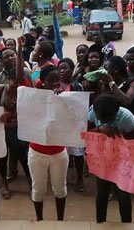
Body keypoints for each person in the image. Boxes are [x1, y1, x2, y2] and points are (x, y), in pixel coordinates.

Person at [0, 47, 32, 199]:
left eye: (13, 55)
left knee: (23, 156)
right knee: (2, 157)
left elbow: (33, 97)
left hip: (21, 125)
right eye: (7, 56)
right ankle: (4, 185)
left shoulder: (25, 75)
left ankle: (32, 184)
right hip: (4, 128)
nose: (10, 58)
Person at [88, 94, 134, 223]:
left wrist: (118, 134)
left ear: (116, 112)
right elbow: (86, 132)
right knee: (102, 192)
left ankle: (126, 223)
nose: (105, 121)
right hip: (102, 158)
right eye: (101, 119)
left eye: (108, 119)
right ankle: (100, 222)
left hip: (123, 160)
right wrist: (100, 128)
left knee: (123, 193)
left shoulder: (128, 118)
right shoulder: (93, 112)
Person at [28, 65, 68, 221]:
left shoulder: (66, 97)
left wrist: (60, 98)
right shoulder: (34, 97)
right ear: (42, 81)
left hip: (59, 153)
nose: (54, 84)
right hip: (37, 153)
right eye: (50, 80)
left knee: (60, 189)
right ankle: (39, 220)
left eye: (57, 80)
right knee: (38, 190)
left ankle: (60, 221)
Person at [57, 58, 85, 192]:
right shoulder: (55, 85)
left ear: (72, 70)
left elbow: (81, 105)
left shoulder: (77, 86)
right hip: (59, 125)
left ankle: (80, 178)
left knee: (78, 153)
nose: (62, 71)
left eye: (65, 68)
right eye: (60, 68)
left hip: (74, 125)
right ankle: (62, 179)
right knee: (62, 154)